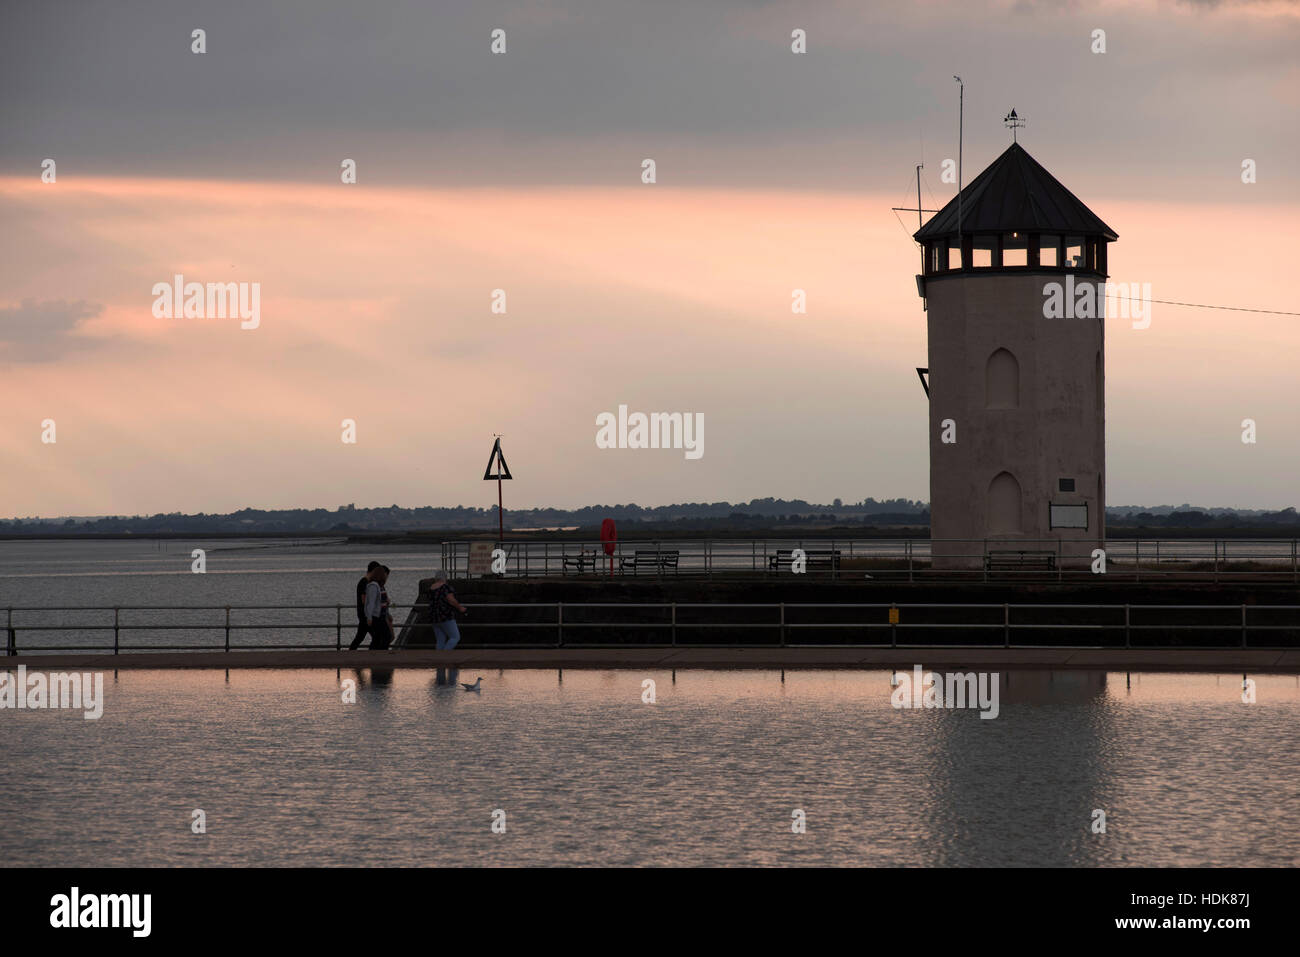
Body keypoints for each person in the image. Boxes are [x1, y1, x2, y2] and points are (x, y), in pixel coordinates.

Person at [429, 570, 468, 650]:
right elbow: (451, 600)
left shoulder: (431, 588)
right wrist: (460, 608)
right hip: (445, 616)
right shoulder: (445, 587)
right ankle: (444, 657)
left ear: (436, 578)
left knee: (440, 640)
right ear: (445, 578)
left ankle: (438, 661)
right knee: (455, 637)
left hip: (434, 617)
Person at [349, 561, 381, 650]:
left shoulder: (366, 582)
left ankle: (350, 653)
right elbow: (364, 600)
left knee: (361, 637)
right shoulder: (364, 582)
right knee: (376, 637)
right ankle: (371, 654)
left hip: (364, 614)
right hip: (365, 615)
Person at [365, 566, 395, 651]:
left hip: (381, 615)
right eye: (385, 575)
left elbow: (381, 601)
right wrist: (369, 617)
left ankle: (374, 654)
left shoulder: (380, 586)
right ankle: (381, 654)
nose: (386, 577)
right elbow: (371, 603)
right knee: (386, 636)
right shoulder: (373, 586)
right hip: (376, 616)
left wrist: (387, 608)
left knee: (377, 637)